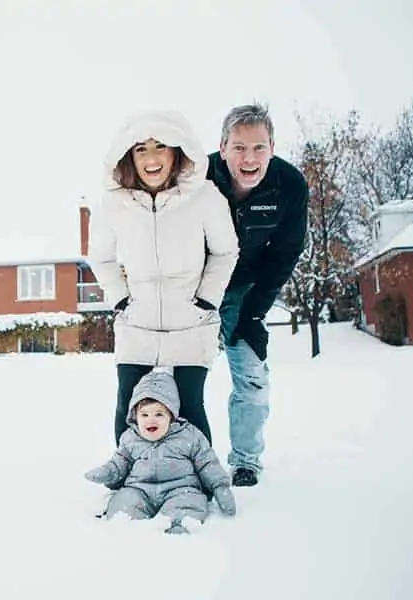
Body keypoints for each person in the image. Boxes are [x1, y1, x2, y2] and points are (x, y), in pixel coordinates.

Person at [87, 110, 239, 446]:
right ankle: (132, 480)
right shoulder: (112, 204)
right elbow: (100, 256)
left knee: (188, 405)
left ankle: (195, 483)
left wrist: (206, 300)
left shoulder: (205, 196)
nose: (151, 158)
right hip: (137, 322)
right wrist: (121, 299)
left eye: (161, 147)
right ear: (128, 155)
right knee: (131, 403)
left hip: (191, 321)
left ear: (178, 152)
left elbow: (225, 251)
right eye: (141, 149)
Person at [206, 103, 309, 487]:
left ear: (272, 146)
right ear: (222, 147)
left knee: (252, 381)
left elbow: (285, 253)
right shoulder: (197, 177)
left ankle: (246, 461)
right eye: (239, 148)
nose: (249, 158)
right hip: (194, 288)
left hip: (246, 290)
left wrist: (253, 311)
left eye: (259, 148)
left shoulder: (290, 186)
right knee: (178, 375)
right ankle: (176, 457)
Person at [84, 370, 237, 534]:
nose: (151, 419)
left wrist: (220, 486)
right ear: (135, 417)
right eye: (144, 414)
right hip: (139, 489)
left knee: (188, 503)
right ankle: (126, 528)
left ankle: (178, 524)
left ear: (171, 415)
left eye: (159, 414)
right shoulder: (130, 438)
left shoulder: (189, 435)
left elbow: (207, 462)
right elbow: (119, 462)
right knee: (124, 503)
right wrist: (107, 472)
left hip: (180, 488)